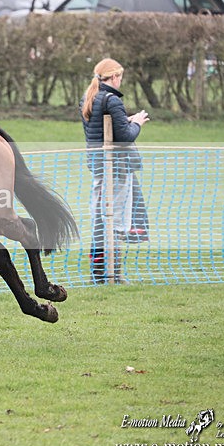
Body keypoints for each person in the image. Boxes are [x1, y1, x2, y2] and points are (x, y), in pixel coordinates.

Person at [80, 58, 150, 282]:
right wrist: (137, 122)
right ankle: (112, 274)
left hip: (99, 166)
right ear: (115, 77)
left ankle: (99, 273)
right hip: (117, 167)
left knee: (101, 219)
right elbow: (126, 137)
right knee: (115, 222)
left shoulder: (89, 97)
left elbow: (103, 128)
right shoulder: (112, 100)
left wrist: (125, 120)